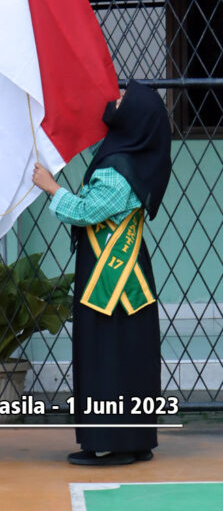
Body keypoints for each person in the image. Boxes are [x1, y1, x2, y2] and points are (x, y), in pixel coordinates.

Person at [32, 81, 172, 466]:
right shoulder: (129, 157)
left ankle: (112, 442)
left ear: (135, 118)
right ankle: (134, 439)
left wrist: (51, 188)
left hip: (109, 280)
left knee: (105, 355)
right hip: (130, 275)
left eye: (124, 99)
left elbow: (86, 211)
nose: (116, 99)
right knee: (129, 354)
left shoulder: (119, 169)